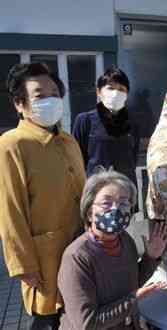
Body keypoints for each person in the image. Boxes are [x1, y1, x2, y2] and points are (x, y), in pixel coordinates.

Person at [0, 62, 86, 329]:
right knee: (48, 317)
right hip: (45, 258)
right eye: (39, 95)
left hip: (80, 247)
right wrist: (23, 264)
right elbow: (9, 210)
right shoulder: (11, 145)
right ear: (19, 103)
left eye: (54, 93)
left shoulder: (68, 140)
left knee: (78, 311)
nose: (50, 100)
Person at [58, 169, 167, 329]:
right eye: (106, 203)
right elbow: (87, 324)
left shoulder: (125, 241)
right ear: (89, 213)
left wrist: (151, 257)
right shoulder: (76, 257)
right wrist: (133, 300)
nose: (115, 210)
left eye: (124, 203)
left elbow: (131, 283)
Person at [73, 67, 140, 185]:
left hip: (126, 192)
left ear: (127, 94)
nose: (116, 93)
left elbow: (133, 158)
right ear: (99, 92)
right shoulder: (85, 120)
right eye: (110, 88)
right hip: (97, 193)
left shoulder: (132, 122)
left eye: (121, 89)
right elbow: (76, 162)